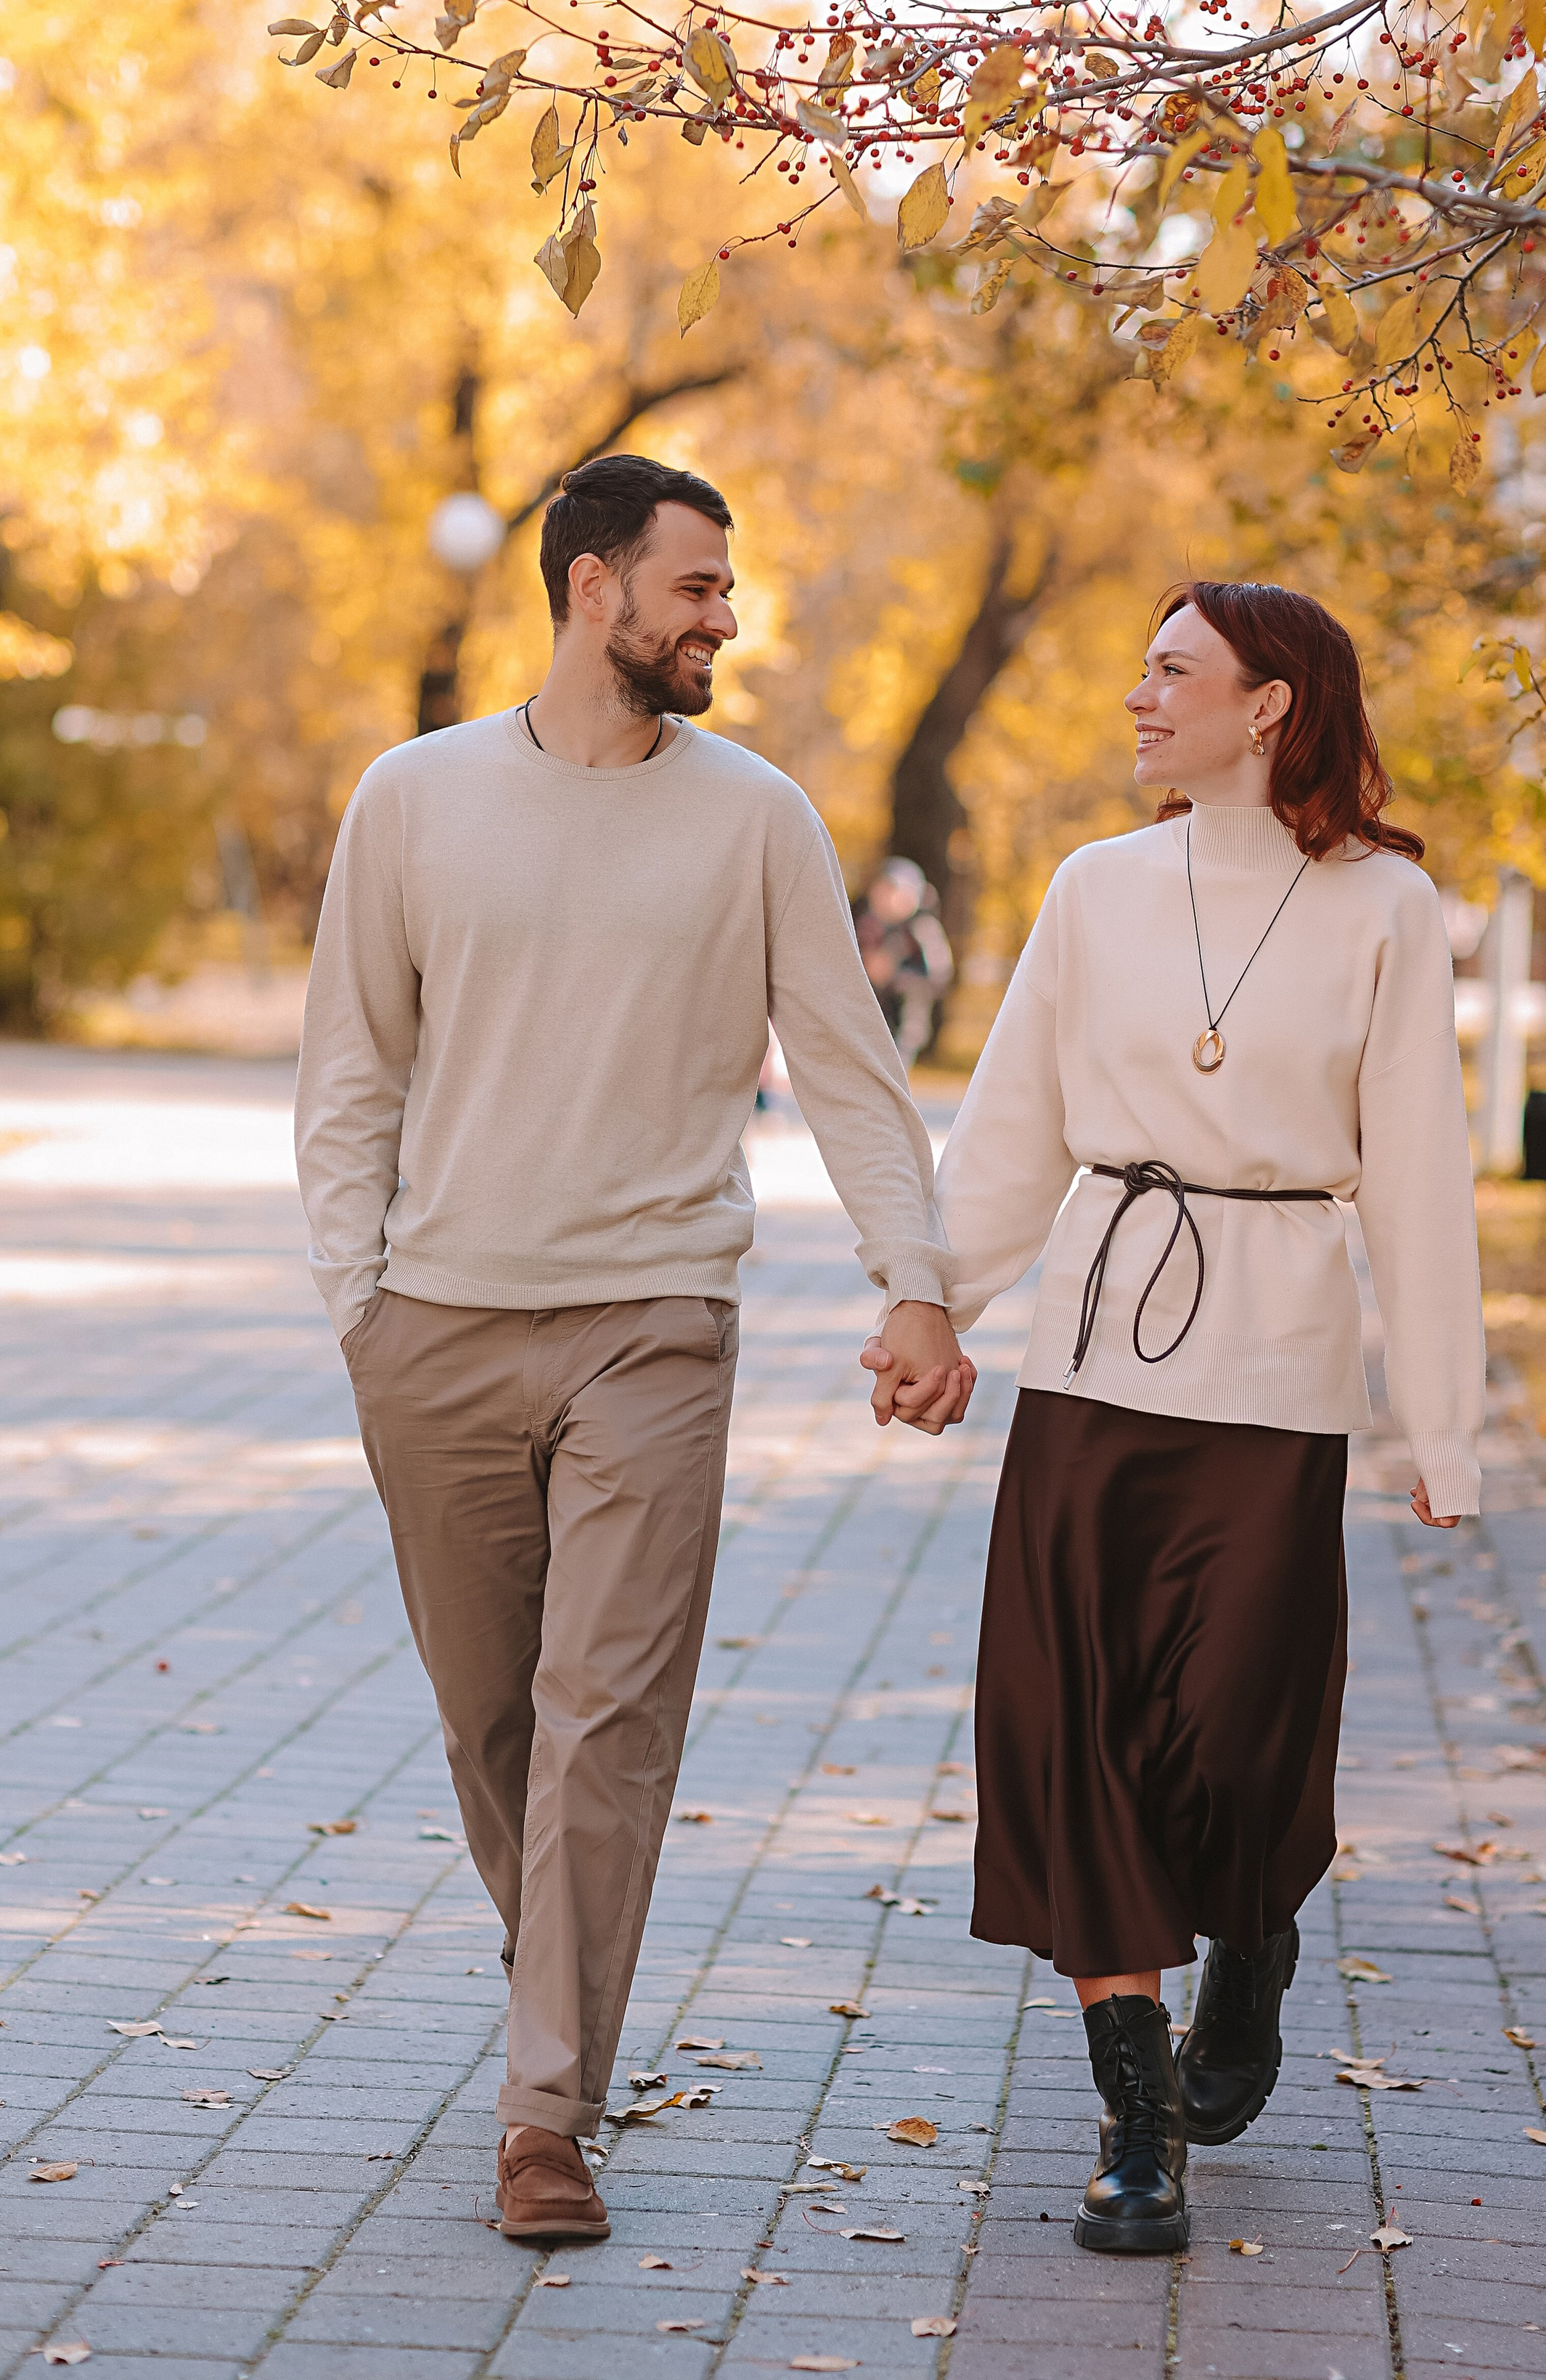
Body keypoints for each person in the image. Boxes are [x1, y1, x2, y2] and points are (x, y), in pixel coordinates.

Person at [296, 453, 972, 2245]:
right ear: (593, 587)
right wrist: (355, 1307)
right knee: (492, 1724)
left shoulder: (754, 815)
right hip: (431, 1326)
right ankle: (569, 2010)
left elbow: (847, 1065)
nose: (721, 620)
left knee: (605, 1721)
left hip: (653, 1326)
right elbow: (352, 1067)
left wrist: (915, 1279)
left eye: (725, 590)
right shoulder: (413, 796)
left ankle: (542, 2114)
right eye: (694, 587)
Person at [867, 580, 1484, 2255]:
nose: (1136, 695)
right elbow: (1009, 1130)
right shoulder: (1092, 887)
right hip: (1088, 1369)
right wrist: (927, 1301)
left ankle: (1255, 1936)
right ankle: (1136, 2127)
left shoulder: (1381, 909)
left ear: (1269, 700)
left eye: (1170, 669)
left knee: (1233, 1738)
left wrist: (1438, 1419)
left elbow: (1420, 1175)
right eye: (1138, 665)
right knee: (1079, 1741)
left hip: (1273, 1367)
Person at [854, 856, 956, 1069]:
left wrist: (898, 975)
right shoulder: (865, 923)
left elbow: (939, 973)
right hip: (870, 1013)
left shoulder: (921, 929)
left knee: (895, 1064)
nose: (884, 897)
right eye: (880, 889)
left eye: (892, 891)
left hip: (906, 1017)